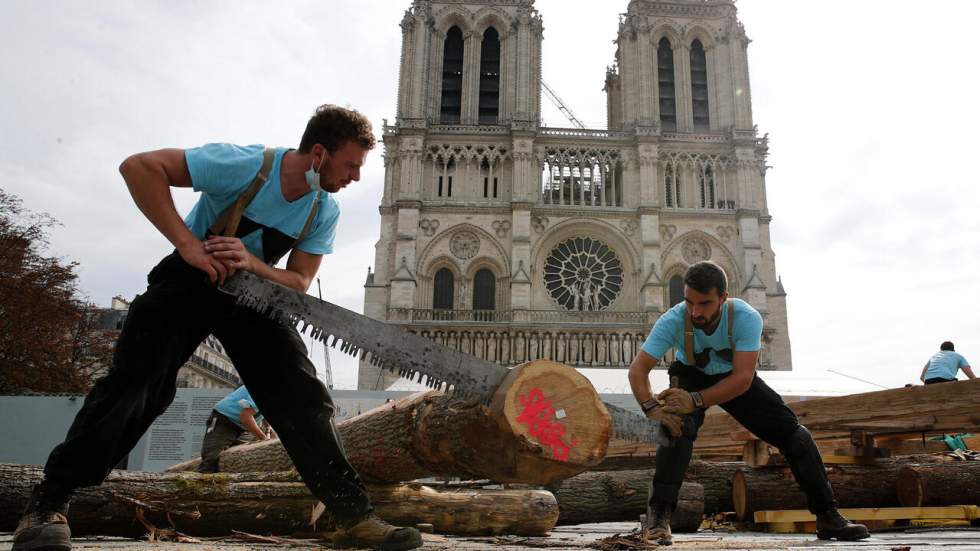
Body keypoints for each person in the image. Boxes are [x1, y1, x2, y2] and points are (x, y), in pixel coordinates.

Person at [13, 105, 423, 551]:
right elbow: (139, 167)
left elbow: (299, 282)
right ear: (320, 154)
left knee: (302, 398)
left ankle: (352, 515)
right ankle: (47, 505)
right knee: (137, 387)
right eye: (351, 165)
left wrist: (250, 263)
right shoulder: (244, 164)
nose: (356, 178)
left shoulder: (323, 210)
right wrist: (188, 246)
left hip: (251, 298)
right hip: (189, 282)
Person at [628, 261, 869, 544]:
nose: (695, 312)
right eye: (689, 302)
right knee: (674, 430)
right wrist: (652, 409)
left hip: (733, 379)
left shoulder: (746, 317)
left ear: (723, 297)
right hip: (690, 374)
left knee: (796, 437)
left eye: (705, 304)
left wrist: (696, 400)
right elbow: (637, 371)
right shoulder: (672, 320)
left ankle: (828, 517)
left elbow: (742, 378)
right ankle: (658, 519)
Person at [197, 385, 273, 473]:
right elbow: (245, 416)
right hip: (225, 421)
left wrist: (268, 430)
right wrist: (263, 438)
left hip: (242, 427)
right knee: (211, 459)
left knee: (244, 458)